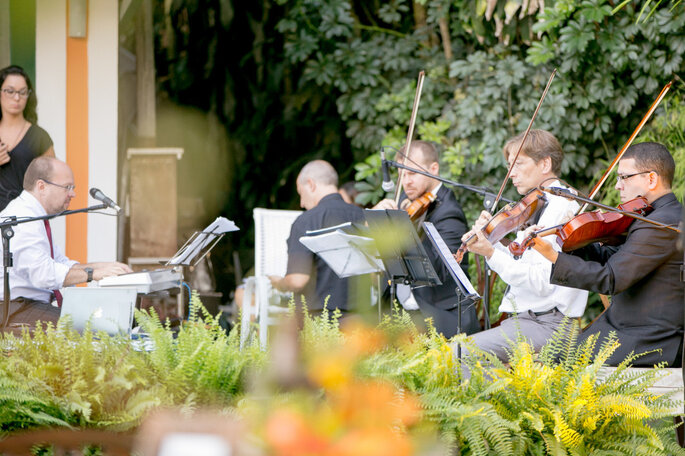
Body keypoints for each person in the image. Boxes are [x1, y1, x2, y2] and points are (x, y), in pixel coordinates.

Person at [533, 142, 684, 366]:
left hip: (647, 339)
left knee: (549, 363)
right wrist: (578, 241)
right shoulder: (656, 216)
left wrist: (554, 257)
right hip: (627, 328)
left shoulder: (661, 224)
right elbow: (616, 258)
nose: (617, 186)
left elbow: (610, 278)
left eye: (624, 177)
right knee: (548, 359)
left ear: (651, 179)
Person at [455, 130, 588, 363]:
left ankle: (489, 401)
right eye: (509, 165)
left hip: (548, 324)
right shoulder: (537, 204)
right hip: (526, 321)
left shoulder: (561, 208)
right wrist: (490, 244)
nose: (511, 173)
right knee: (455, 349)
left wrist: (492, 252)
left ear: (545, 163)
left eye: (518, 164)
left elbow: (540, 282)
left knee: (459, 352)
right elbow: (520, 261)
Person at [0, 156, 132, 329]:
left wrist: (102, 266)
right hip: (16, 309)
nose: (73, 194)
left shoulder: (34, 215)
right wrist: (93, 274)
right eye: (67, 187)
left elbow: (59, 263)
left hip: (28, 306)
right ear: (42, 186)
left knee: (105, 323)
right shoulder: (23, 218)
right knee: (97, 328)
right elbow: (44, 274)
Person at [373, 140, 478, 338]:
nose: (406, 181)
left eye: (412, 173)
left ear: (434, 169)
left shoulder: (449, 212)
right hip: (404, 312)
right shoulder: (407, 203)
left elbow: (439, 271)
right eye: (401, 174)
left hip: (441, 316)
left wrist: (402, 229)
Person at [269, 160, 365, 316]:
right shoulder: (362, 216)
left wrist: (279, 283)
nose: (301, 203)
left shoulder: (306, 221)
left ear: (311, 184)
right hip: (359, 319)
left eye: (301, 193)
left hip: (318, 319)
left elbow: (297, 280)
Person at [0, 65, 56, 211]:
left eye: (22, 92)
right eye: (10, 91)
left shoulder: (39, 137)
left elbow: (53, 184)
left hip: (27, 220)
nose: (16, 97)